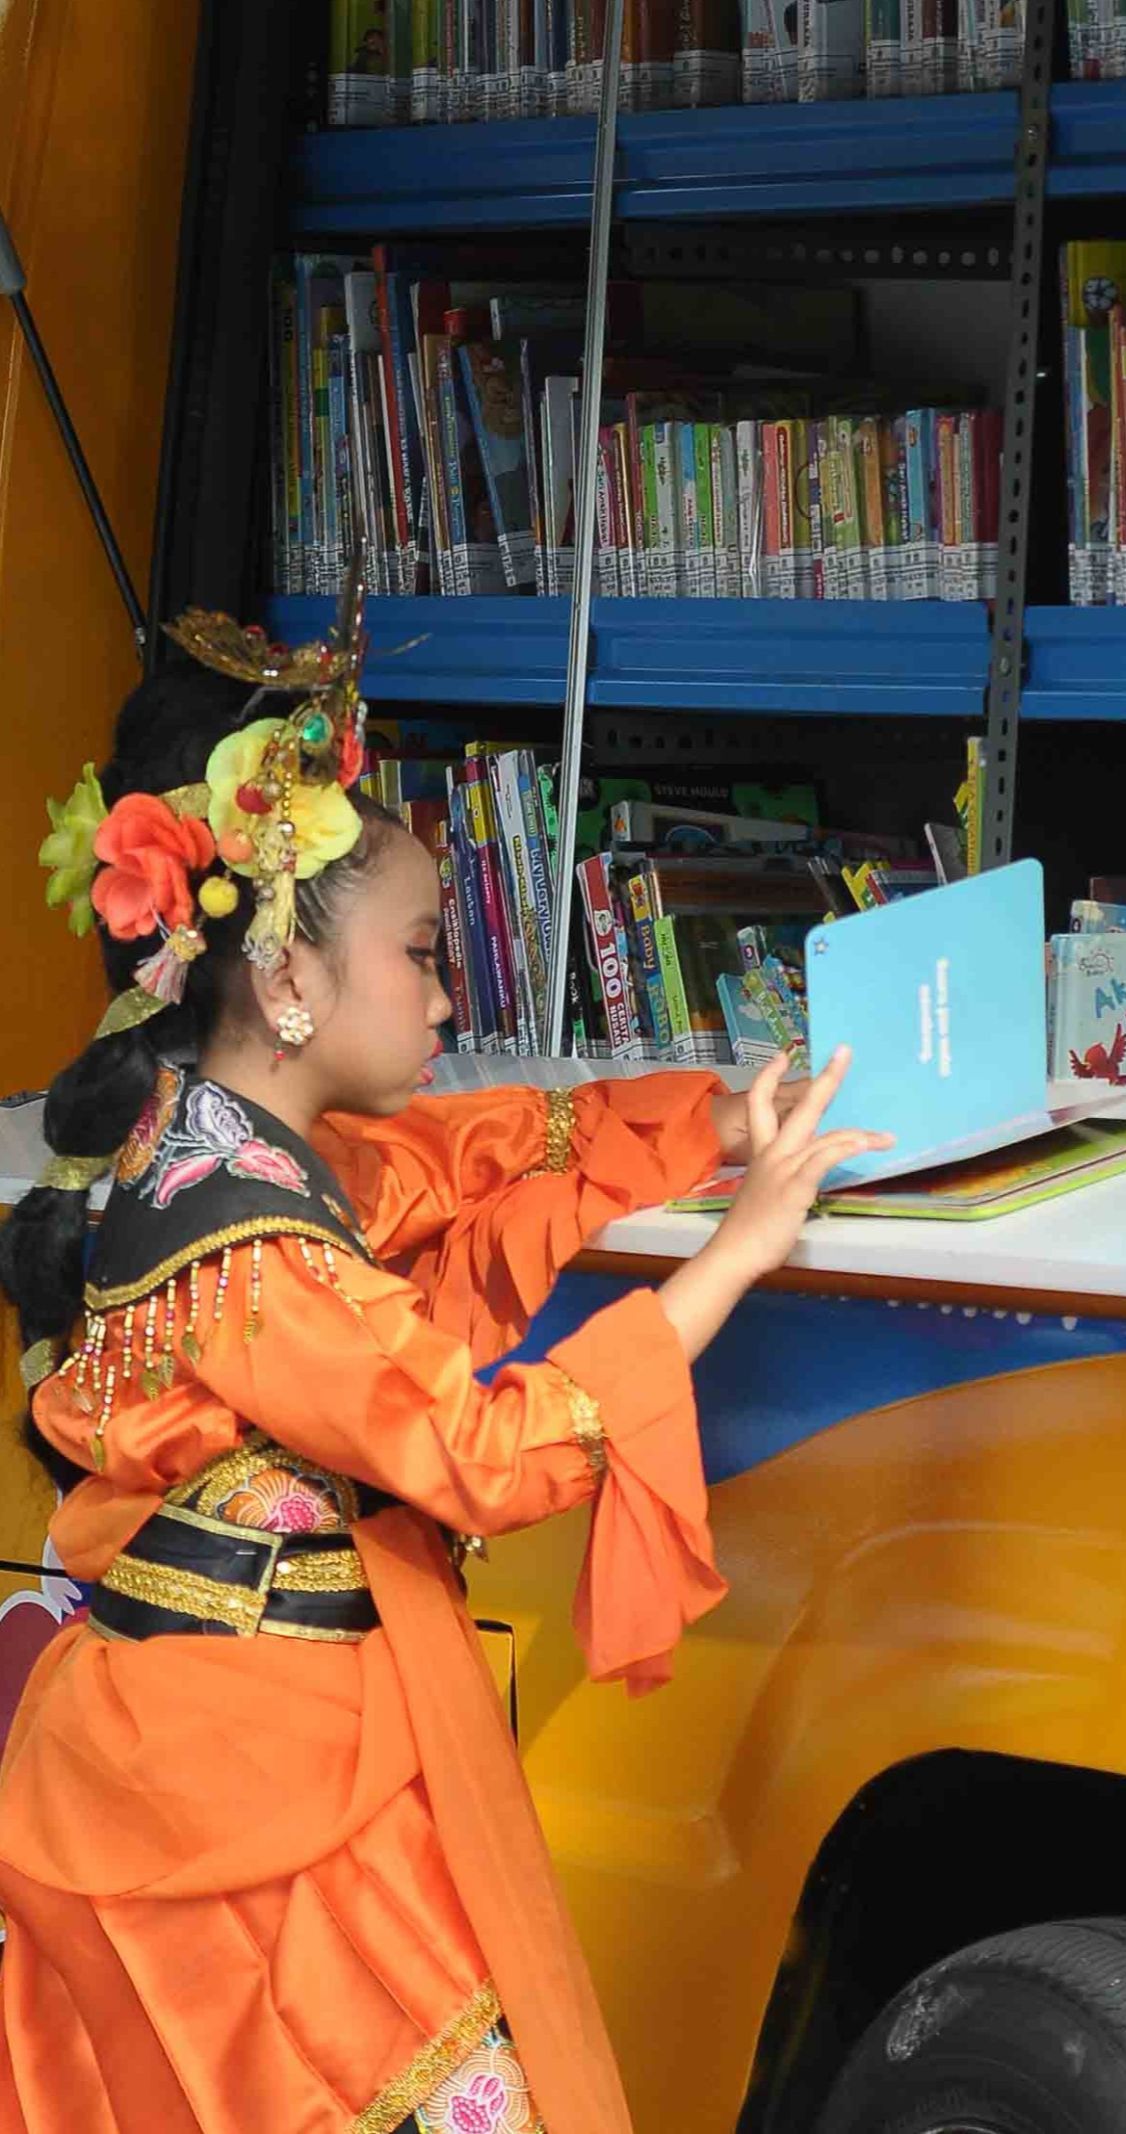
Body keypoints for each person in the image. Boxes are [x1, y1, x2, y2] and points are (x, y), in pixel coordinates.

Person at [0, 605, 889, 2134]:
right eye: (420, 954)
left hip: (236, 1744)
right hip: (250, 1813)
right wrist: (737, 1249)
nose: (447, 997)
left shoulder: (229, 1146)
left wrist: (719, 1125)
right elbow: (478, 1451)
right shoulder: (250, 1251)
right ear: (286, 976)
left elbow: (479, 1149)